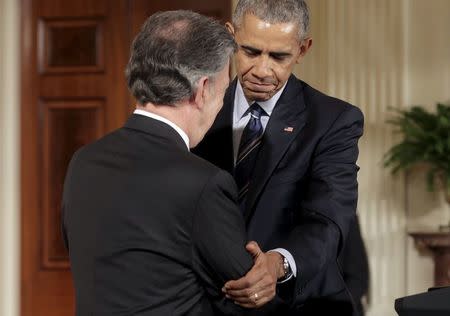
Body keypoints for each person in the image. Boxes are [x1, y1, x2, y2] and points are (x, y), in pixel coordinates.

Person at [61, 10, 269, 316]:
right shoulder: (203, 183)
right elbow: (248, 296)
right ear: (202, 90)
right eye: (224, 91)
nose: (222, 103)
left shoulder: (83, 163)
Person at [193, 0, 365, 315]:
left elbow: (327, 220)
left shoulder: (334, 120)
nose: (262, 70)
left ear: (302, 50)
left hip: (299, 305)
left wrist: (278, 264)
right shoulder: (194, 112)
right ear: (231, 38)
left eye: (279, 56)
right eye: (250, 52)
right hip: (211, 304)